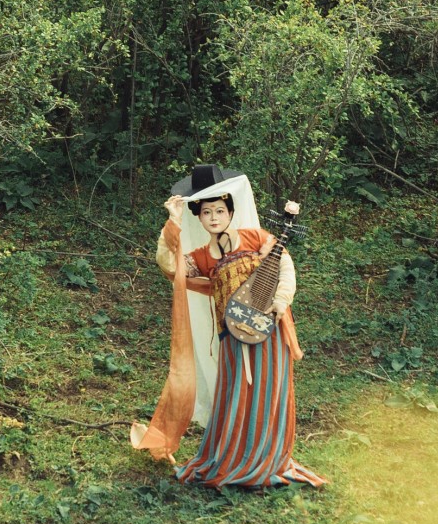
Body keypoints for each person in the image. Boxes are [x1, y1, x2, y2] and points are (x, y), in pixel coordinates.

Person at [131, 164, 325, 489]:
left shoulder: (255, 237)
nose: (214, 218)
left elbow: (284, 265)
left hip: (268, 329)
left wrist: (281, 301)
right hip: (232, 336)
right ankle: (235, 459)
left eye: (220, 211)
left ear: (231, 212)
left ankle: (267, 461)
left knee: (268, 395)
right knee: (237, 397)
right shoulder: (202, 257)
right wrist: (173, 221)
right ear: (199, 218)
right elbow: (170, 266)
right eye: (207, 212)